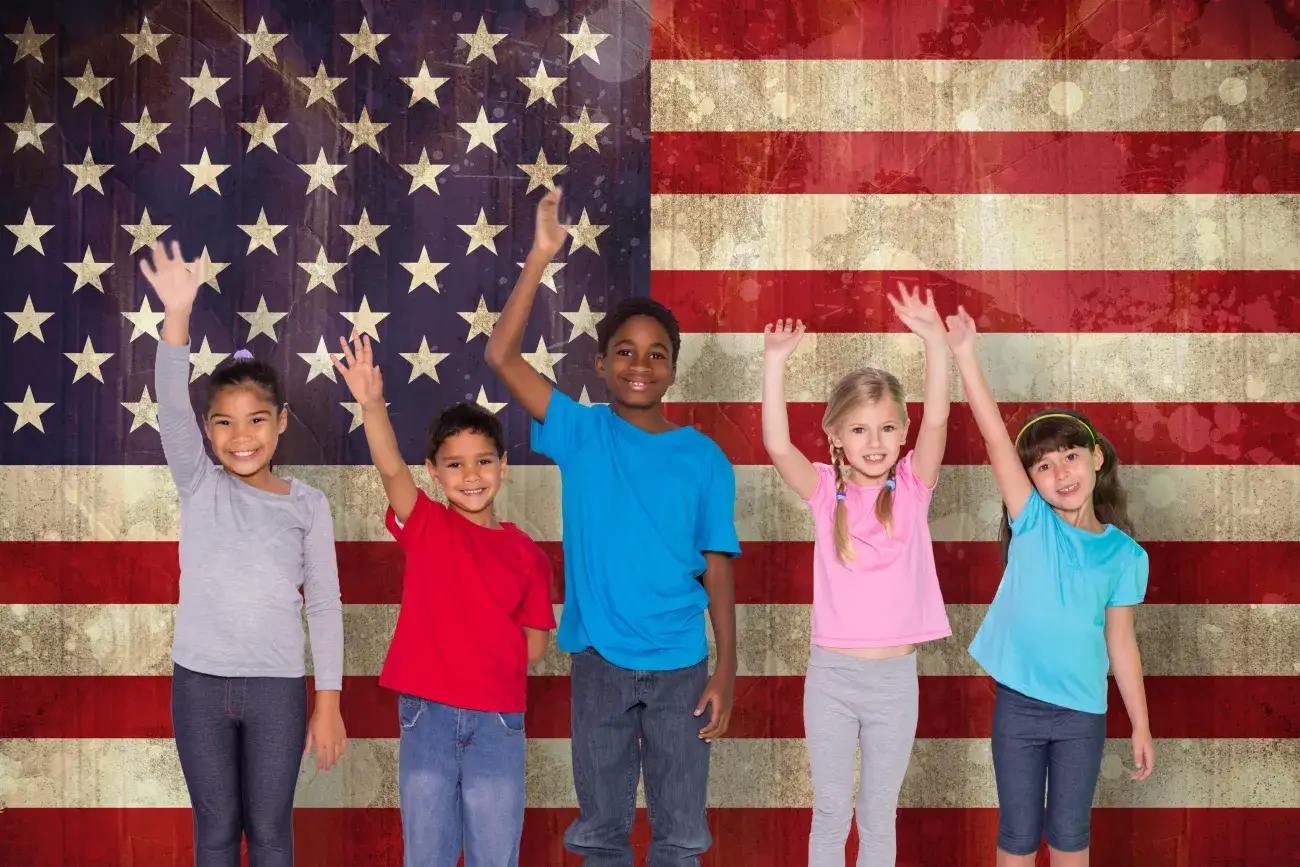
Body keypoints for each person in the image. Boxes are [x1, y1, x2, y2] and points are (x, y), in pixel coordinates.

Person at [484, 189, 741, 866]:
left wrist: (728, 668)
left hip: (683, 666)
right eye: (624, 352)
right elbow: (503, 357)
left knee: (681, 833)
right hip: (599, 661)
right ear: (599, 366)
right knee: (600, 830)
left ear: (673, 369)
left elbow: (717, 565)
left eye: (657, 354)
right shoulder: (582, 430)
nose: (639, 364)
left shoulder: (704, 457)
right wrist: (541, 256)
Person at [141, 241, 347, 867]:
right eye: (225, 423)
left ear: (281, 421)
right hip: (199, 684)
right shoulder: (199, 484)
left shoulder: (307, 505)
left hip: (278, 689)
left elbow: (327, 606)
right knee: (215, 831)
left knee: (271, 831)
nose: (241, 436)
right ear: (208, 431)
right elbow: (171, 403)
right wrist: (178, 313)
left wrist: (329, 703)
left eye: (256, 420)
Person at [331, 332, 555, 867]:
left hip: (498, 722)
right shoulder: (427, 525)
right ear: (434, 473)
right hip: (426, 717)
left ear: (503, 466)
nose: (470, 476)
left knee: (494, 853)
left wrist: (484, 665)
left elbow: (537, 642)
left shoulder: (527, 554)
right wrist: (371, 404)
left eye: (482, 462)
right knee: (427, 851)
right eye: (454, 464)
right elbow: (390, 469)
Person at [943, 305, 1154, 866]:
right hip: (1020, 707)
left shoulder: (1125, 555)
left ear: (1096, 458)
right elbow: (992, 435)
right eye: (1043, 466)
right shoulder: (1031, 522)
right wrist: (965, 354)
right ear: (1030, 481)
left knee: (1069, 837)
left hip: (1083, 713)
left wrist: (1140, 723)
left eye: (1070, 456)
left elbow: (1121, 644)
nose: (1061, 473)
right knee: (1016, 836)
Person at [760, 286, 953, 866]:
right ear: (837, 437)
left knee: (877, 812)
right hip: (832, 678)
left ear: (903, 431)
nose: (875, 442)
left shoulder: (916, 487)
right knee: (831, 811)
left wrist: (936, 344)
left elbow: (940, 417)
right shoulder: (825, 491)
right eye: (861, 430)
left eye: (887, 429)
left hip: (895, 681)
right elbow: (775, 445)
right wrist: (774, 364)